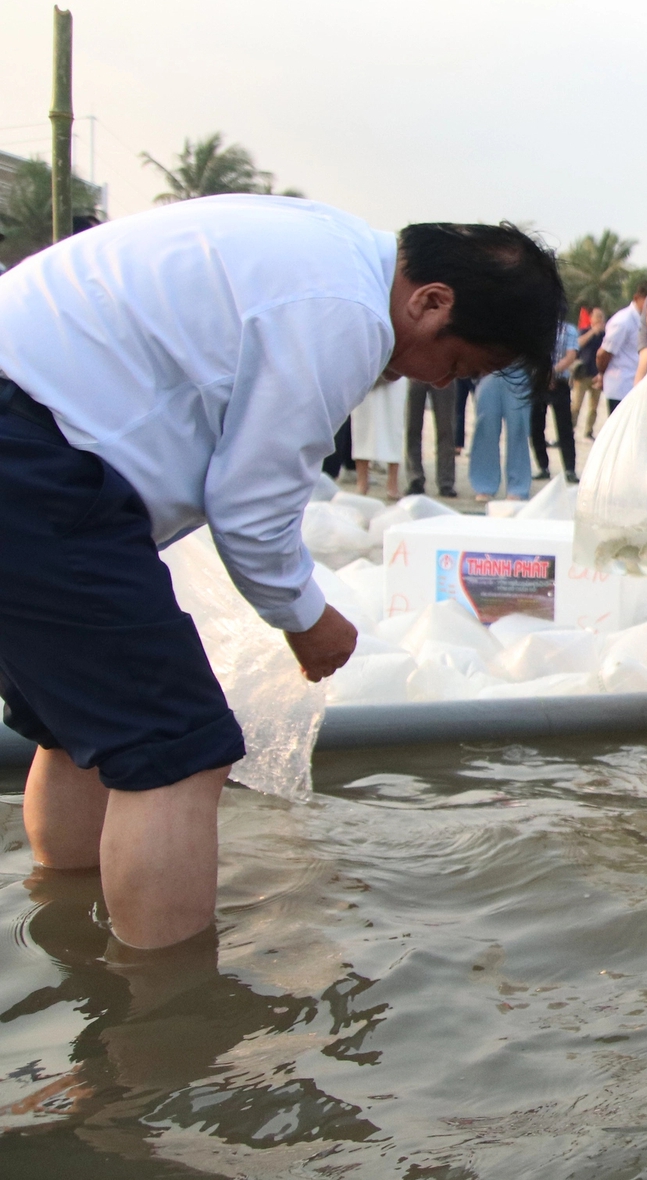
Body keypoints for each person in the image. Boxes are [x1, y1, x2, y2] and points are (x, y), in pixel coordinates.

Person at [0, 197, 561, 950]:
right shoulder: (346, 313)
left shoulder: (322, 248)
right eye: (458, 365)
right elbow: (251, 508)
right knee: (177, 750)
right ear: (430, 302)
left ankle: (64, 941)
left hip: (32, 440)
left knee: (80, 733)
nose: (436, 384)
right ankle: (163, 1029)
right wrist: (308, 620)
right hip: (31, 457)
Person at [468, 368, 534, 502]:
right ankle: (484, 485)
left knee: (518, 429)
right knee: (485, 428)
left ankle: (518, 487)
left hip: (519, 371)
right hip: (489, 371)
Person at [529, 313, 578, 482]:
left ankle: (569, 469)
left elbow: (571, 356)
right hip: (539, 381)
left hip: (559, 382)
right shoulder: (537, 329)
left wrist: (552, 372)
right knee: (536, 426)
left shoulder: (569, 330)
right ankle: (543, 466)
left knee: (564, 427)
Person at [598, 279, 647, 416]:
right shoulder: (623, 321)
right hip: (622, 386)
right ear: (637, 298)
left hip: (637, 386)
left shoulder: (646, 320)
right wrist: (601, 374)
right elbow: (603, 354)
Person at [404, 364, 458, 499]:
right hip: (416, 370)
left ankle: (446, 482)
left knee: (446, 429)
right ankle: (415, 478)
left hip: (444, 372)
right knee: (413, 427)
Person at [348, 374, 405, 498]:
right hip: (366, 372)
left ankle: (392, 484)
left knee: (393, 425)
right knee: (362, 426)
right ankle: (362, 482)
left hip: (394, 368)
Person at [571, 307, 606, 439]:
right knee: (576, 405)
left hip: (597, 374)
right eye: (596, 316)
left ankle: (589, 430)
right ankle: (571, 428)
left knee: (593, 407)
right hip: (583, 374)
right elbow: (578, 344)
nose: (599, 319)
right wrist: (592, 332)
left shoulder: (605, 336)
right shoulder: (584, 331)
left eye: (601, 317)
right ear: (591, 318)